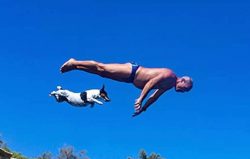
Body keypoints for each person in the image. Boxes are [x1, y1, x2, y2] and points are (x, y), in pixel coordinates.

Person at [60, 58, 193, 116]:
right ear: (182, 80)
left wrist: (144, 109)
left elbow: (154, 96)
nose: (183, 92)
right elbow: (150, 83)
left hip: (130, 79)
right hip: (133, 71)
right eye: (184, 89)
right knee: (102, 67)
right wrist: (140, 99)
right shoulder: (169, 75)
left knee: (102, 74)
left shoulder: (169, 86)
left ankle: (76, 67)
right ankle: (74, 62)